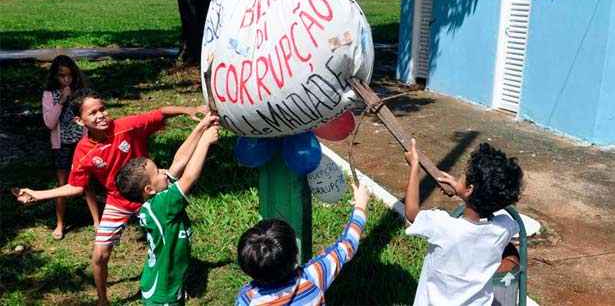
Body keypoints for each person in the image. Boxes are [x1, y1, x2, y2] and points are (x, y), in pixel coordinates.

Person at [14, 88, 207, 306]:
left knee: (172, 241)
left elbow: (160, 113)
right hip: (118, 202)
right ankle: (102, 300)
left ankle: (173, 283)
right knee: (99, 256)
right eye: (93, 113)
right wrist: (38, 194)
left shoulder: (126, 126)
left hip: (150, 194)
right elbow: (76, 187)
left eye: (103, 109)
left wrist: (188, 109)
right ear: (79, 121)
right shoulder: (83, 151)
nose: (101, 115)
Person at [115, 114, 219, 305]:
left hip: (166, 284)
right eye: (158, 172)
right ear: (149, 189)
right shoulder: (162, 206)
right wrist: (205, 143)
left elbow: (179, 161)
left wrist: (201, 126)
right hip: (163, 294)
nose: (164, 171)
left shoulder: (157, 198)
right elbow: (188, 178)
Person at [404, 140, 523, 306]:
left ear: (470, 189)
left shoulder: (442, 226)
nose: (459, 176)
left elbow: (411, 212)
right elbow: (486, 208)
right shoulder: (504, 228)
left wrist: (415, 167)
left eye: (463, 176)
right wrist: (464, 192)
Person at [235, 173, 371, 305]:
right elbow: (347, 245)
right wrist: (360, 206)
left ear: (246, 267)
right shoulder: (313, 277)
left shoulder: (247, 299)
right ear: (296, 255)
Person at [42, 55, 99, 240]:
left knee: (87, 182)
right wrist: (61, 101)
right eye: (61, 76)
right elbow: (50, 123)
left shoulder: (80, 93)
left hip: (81, 143)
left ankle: (97, 221)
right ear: (55, 76)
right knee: (62, 182)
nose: (66, 80)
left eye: (69, 76)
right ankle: (60, 223)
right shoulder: (49, 95)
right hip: (61, 146)